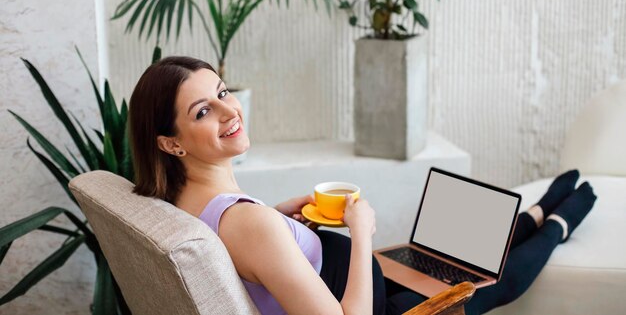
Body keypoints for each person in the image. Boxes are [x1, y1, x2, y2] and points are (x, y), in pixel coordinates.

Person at [128, 56, 597, 315]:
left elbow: (243, 250)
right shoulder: (249, 224)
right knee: (490, 280)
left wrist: (277, 220)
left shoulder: (184, 202)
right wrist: (362, 231)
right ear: (171, 143)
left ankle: (533, 215)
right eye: (203, 111)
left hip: (354, 285)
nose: (230, 111)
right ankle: (561, 217)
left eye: (223, 92)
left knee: (453, 254)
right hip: (368, 305)